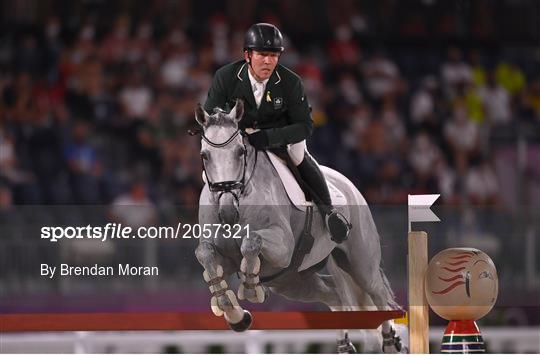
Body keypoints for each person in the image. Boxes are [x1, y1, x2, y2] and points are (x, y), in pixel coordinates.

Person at [204, 23, 351, 243]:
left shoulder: (291, 82)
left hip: (281, 138)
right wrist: (236, 132)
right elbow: (211, 116)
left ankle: (330, 213)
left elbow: (304, 126)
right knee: (215, 160)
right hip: (238, 138)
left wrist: (270, 137)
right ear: (247, 54)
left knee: (299, 155)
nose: (268, 61)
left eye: (274, 55)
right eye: (262, 54)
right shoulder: (225, 77)